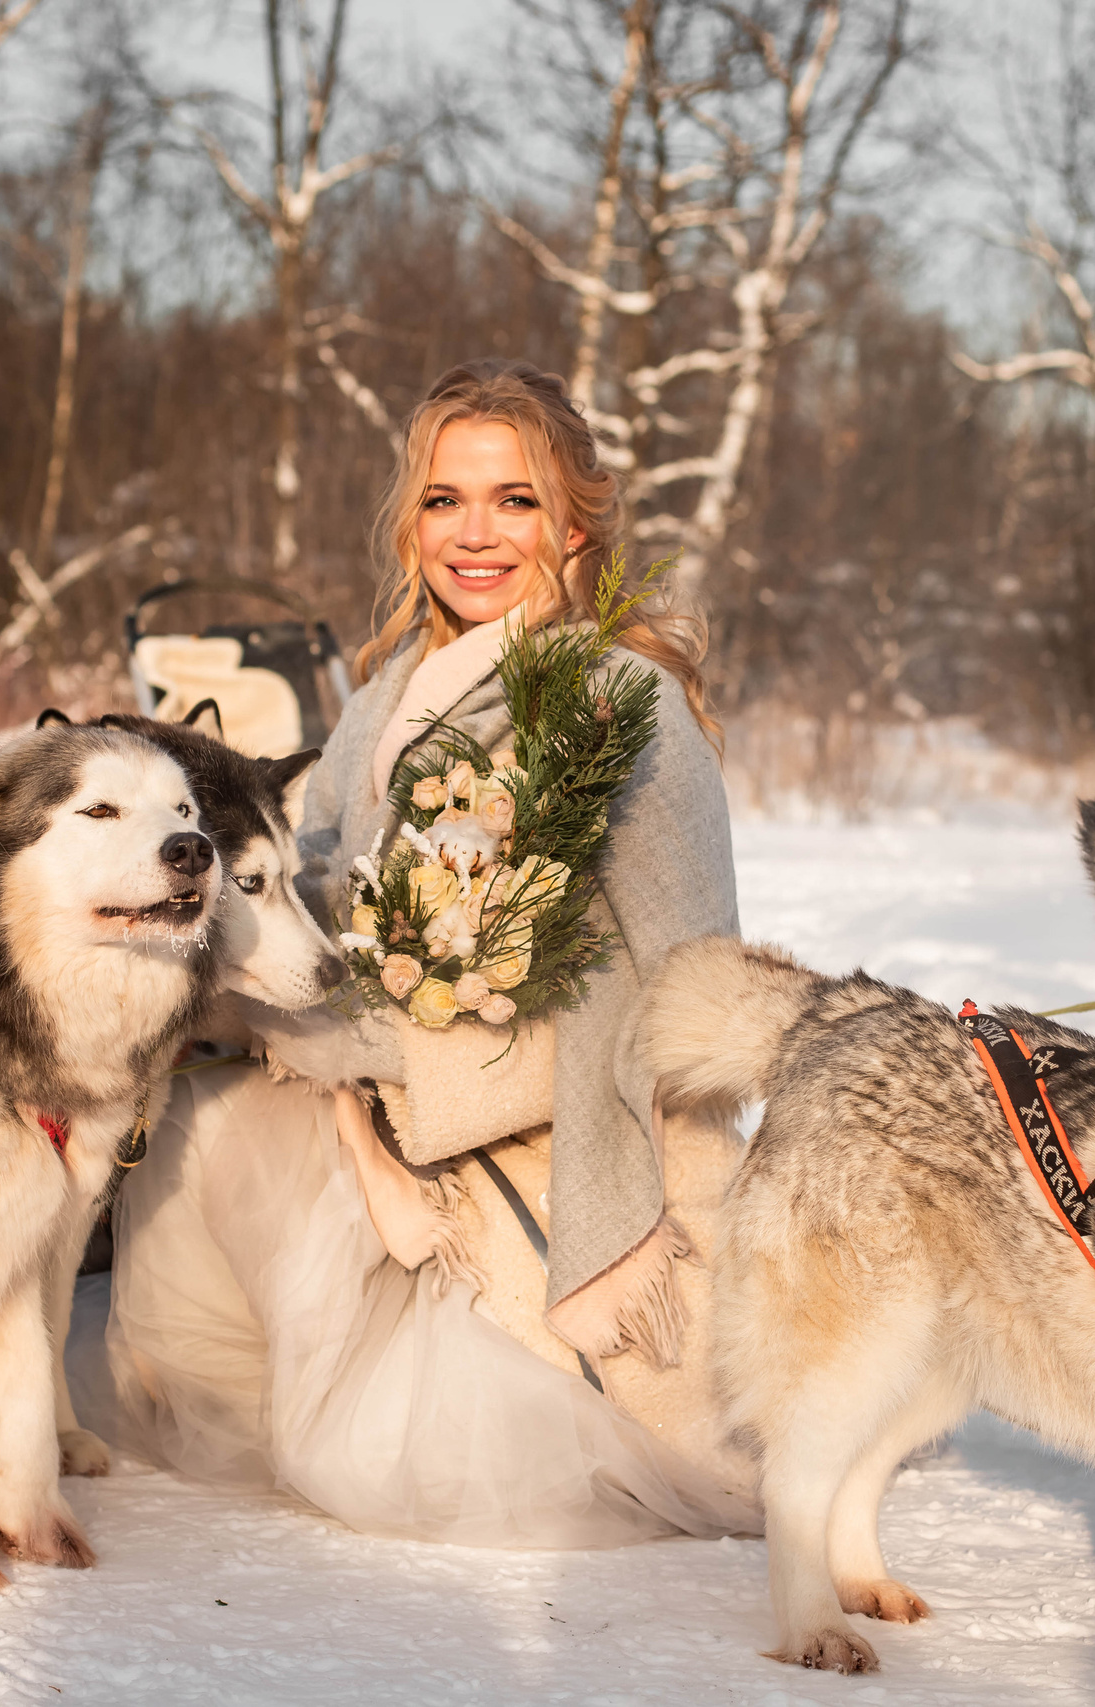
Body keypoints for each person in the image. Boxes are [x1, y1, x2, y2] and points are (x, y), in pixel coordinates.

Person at [99, 359, 757, 1546]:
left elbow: (688, 983)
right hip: (402, 1065)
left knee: (383, 1430)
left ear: (576, 522)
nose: (476, 533)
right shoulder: (389, 691)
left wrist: (435, 1049)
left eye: (514, 500)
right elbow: (332, 900)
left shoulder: (621, 702)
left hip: (565, 1121)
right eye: (446, 499)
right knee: (203, 1111)